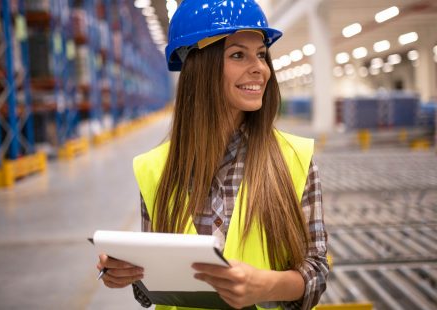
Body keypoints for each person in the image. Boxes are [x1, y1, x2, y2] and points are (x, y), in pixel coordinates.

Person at [97, 0, 329, 309]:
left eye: (261, 55)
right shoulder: (155, 169)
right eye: (238, 54)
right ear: (200, 69)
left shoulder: (295, 158)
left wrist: (267, 286)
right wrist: (129, 274)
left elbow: (316, 271)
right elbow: (153, 285)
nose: (260, 68)